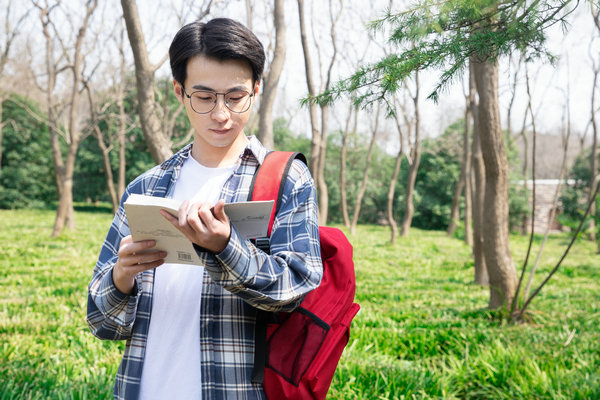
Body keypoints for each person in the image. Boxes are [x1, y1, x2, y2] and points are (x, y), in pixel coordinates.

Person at [87, 18, 323, 400]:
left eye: (235, 96)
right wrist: (120, 279)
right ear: (180, 92)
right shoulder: (146, 187)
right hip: (142, 387)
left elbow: (295, 289)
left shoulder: (286, 179)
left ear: (256, 89)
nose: (220, 114)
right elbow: (102, 323)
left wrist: (226, 246)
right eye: (204, 96)